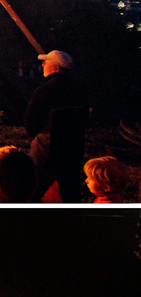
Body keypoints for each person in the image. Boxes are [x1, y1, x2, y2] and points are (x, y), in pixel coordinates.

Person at [25, 50, 89, 202]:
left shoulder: (45, 91)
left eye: (46, 62)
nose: (43, 65)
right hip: (73, 148)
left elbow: (31, 122)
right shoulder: (80, 90)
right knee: (71, 192)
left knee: (33, 190)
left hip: (47, 150)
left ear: (55, 68)